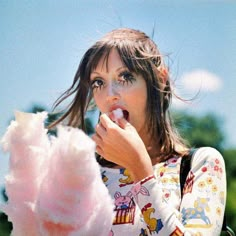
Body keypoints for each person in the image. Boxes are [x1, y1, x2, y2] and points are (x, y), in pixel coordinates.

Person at [50, 28, 226, 235]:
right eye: (98, 82)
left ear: (160, 79)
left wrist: (140, 171)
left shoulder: (199, 165)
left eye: (124, 76)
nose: (110, 95)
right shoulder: (80, 173)